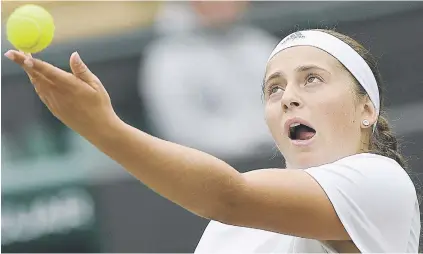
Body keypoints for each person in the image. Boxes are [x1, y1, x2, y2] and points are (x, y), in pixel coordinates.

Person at [4, 28, 420, 253]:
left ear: (367, 110)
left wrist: (101, 128)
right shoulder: (226, 230)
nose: (288, 96)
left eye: (312, 79)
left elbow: (228, 194)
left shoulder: (380, 182)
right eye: (274, 89)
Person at [139, 1, 276, 158]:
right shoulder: (167, 60)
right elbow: (184, 134)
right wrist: (254, 140)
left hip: (284, 164)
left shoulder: (259, 45)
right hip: (219, 172)